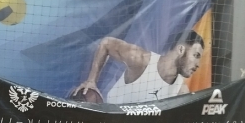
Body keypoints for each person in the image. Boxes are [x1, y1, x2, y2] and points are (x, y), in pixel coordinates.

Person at [73, 30, 204, 104]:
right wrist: (91, 80)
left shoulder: (181, 91)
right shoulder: (141, 60)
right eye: (196, 55)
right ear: (181, 50)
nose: (198, 64)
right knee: (85, 97)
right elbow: (106, 43)